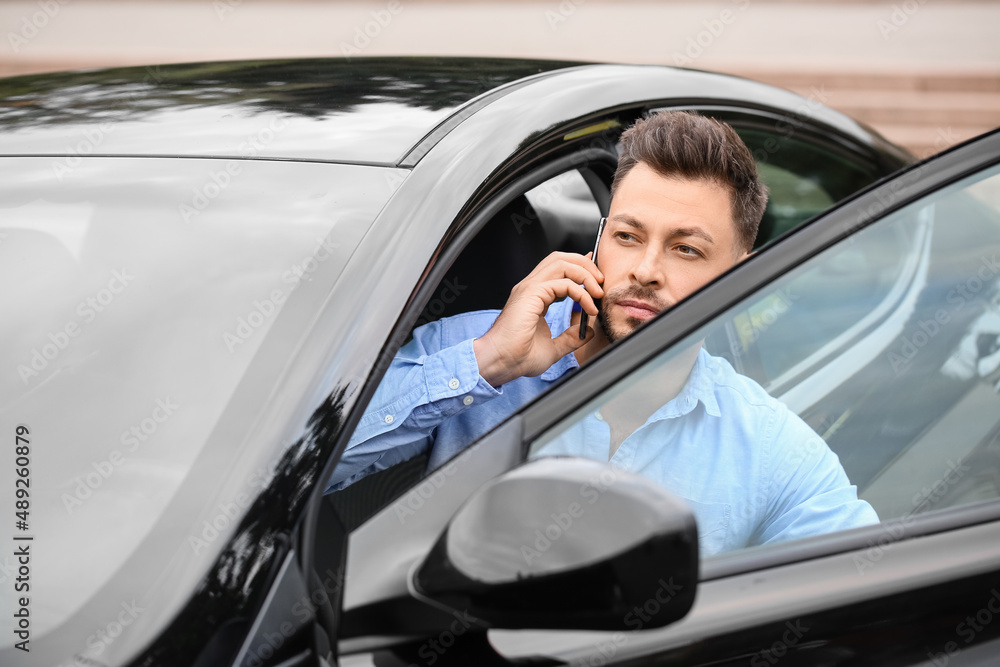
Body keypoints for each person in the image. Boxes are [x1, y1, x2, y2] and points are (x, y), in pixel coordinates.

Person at [326, 111, 878, 555]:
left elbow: (865, 594)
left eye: (686, 248)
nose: (645, 269)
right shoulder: (470, 347)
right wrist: (489, 362)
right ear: (597, 241)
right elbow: (291, 477)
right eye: (629, 236)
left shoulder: (768, 447)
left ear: (741, 277)